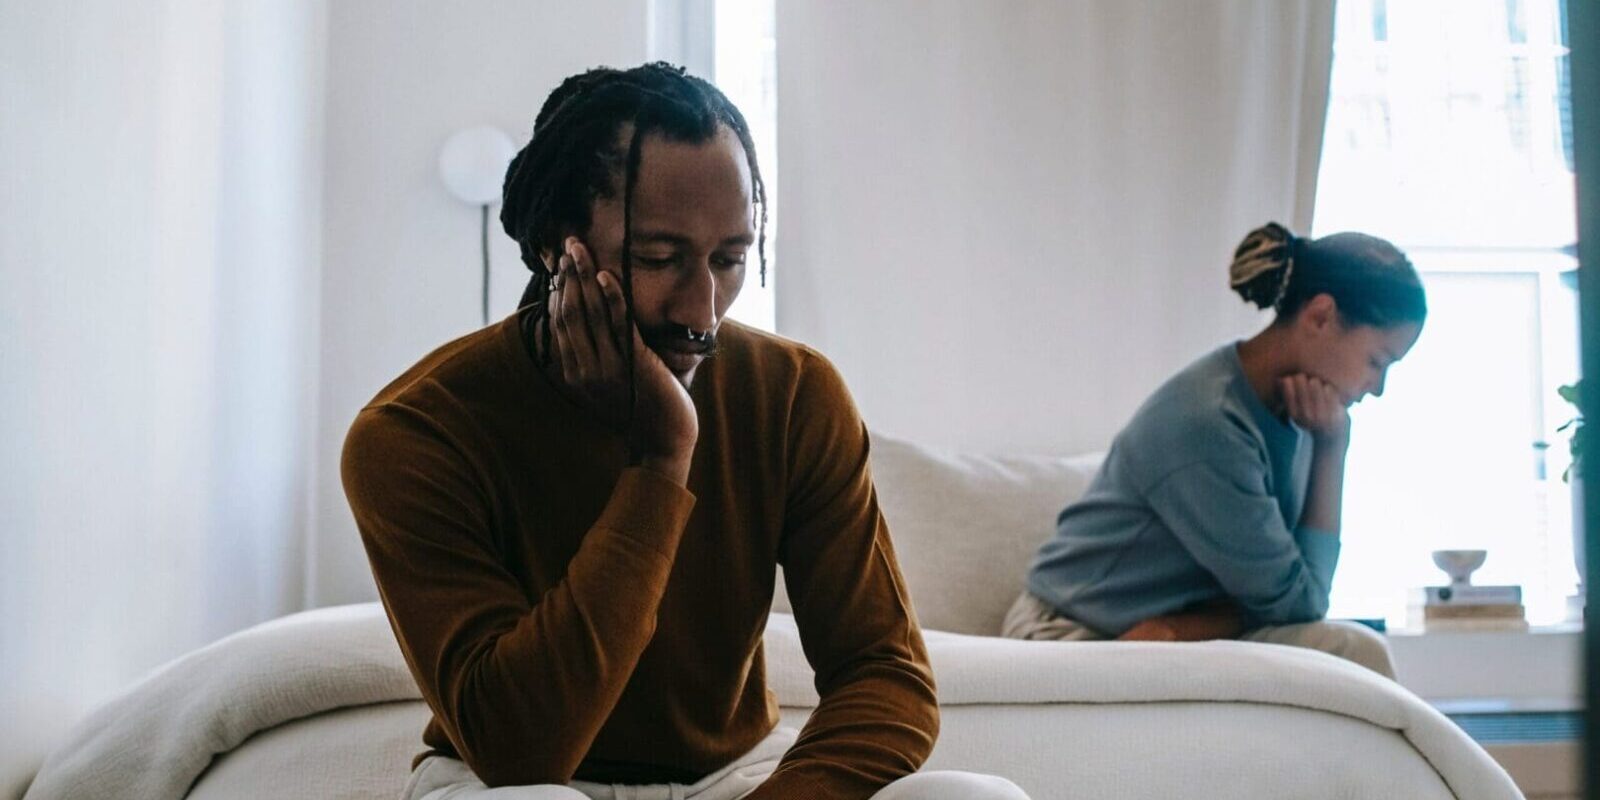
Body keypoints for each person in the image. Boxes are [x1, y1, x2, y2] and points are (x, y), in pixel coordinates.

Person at [343, 63, 1029, 800]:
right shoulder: (415, 433)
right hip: (520, 785)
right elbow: (521, 751)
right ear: (556, 245)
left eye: (731, 259)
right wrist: (661, 458)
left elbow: (886, 677)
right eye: (659, 259)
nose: (703, 309)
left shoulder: (794, 394)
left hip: (732, 782)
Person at [1003, 222, 1427, 678]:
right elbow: (1297, 603)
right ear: (1320, 316)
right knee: (1341, 651)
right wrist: (1332, 450)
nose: (1378, 389)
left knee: (1344, 653)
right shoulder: (1208, 423)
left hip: (1162, 634)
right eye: (1377, 361)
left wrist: (1191, 626)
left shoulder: (1303, 412)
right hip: (1071, 635)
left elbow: (1297, 601)